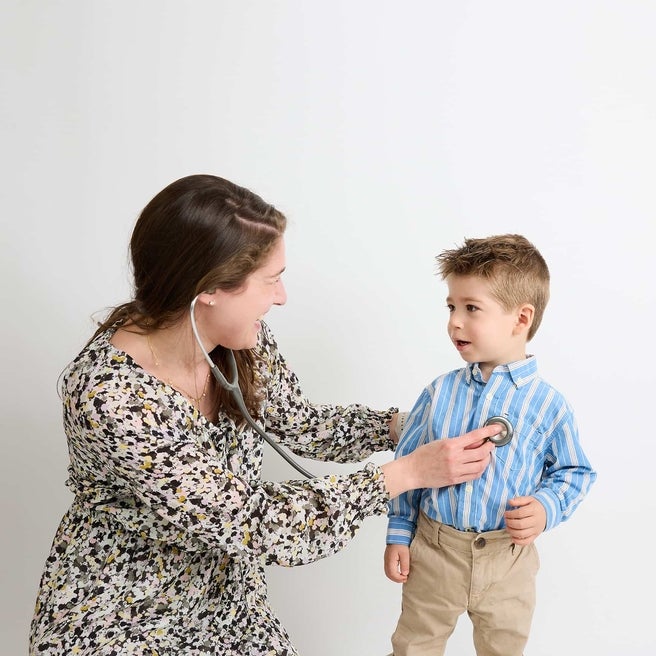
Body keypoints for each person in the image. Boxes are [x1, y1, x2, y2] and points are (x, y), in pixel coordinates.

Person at [29, 174, 502, 656]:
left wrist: (405, 426)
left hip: (226, 604)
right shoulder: (109, 397)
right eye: (271, 280)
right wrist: (405, 474)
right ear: (209, 287)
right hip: (123, 616)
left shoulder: (237, 340)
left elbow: (299, 423)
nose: (282, 297)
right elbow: (255, 524)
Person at [384, 234, 597, 656]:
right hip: (435, 550)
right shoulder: (439, 392)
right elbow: (408, 463)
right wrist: (399, 532)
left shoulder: (548, 405)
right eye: (451, 307)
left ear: (521, 319)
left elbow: (574, 472)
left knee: (504, 650)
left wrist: (546, 507)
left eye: (471, 309)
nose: (454, 322)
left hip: (508, 560)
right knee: (413, 646)